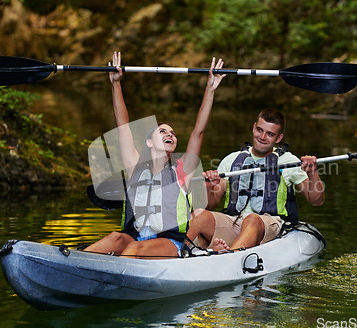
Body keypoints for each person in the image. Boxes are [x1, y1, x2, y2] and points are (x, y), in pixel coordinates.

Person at [84, 51, 226, 258]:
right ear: (149, 142)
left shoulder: (182, 169)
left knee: (133, 250)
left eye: (173, 133)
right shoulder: (135, 167)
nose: (170, 135)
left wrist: (210, 89)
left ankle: (114, 276)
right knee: (115, 238)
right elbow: (123, 126)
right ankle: (73, 265)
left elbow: (198, 132)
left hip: (168, 243)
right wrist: (116, 84)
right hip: (134, 238)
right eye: (163, 131)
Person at [186, 108, 325, 252]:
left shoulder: (288, 161)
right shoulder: (231, 160)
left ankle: (229, 258)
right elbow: (212, 204)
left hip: (267, 223)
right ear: (254, 128)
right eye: (260, 130)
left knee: (251, 219)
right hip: (232, 222)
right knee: (199, 214)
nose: (263, 137)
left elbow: (317, 200)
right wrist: (208, 187)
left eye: (270, 134)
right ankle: (174, 252)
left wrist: (312, 172)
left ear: (278, 138)